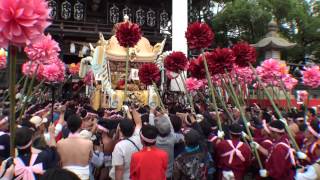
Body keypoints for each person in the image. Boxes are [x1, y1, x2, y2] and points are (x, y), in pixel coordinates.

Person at [150, 108, 184, 179]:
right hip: (169, 174)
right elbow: (171, 128)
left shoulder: (155, 139)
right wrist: (165, 115)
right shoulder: (172, 137)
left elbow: (151, 126)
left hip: (158, 174)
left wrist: (151, 114)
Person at [109, 108, 142, 180]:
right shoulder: (139, 138)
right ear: (133, 128)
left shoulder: (119, 146)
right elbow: (139, 123)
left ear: (120, 130)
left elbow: (119, 169)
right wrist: (133, 109)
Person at [57, 114, 93, 180]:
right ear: (81, 125)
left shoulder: (60, 143)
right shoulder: (88, 143)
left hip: (65, 175)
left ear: (67, 125)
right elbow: (90, 158)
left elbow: (59, 161)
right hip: (83, 176)